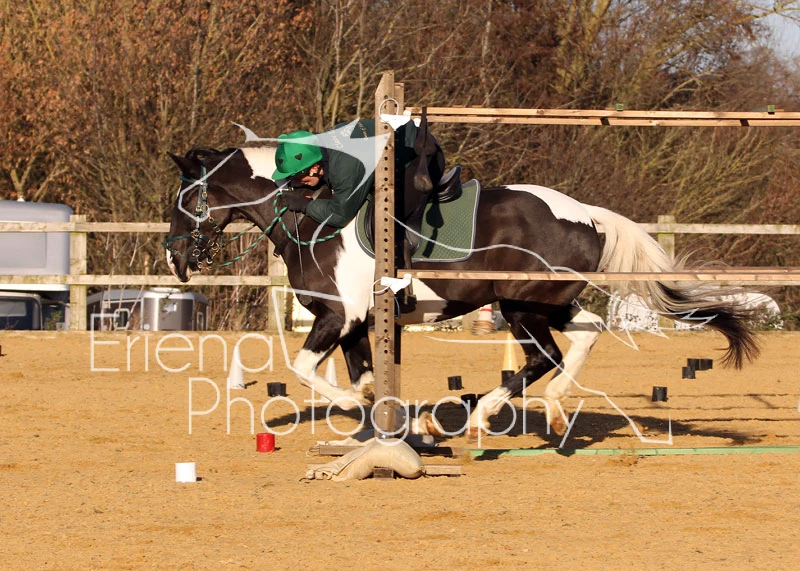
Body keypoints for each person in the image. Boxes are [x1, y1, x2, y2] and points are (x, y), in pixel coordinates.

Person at [272, 117, 447, 257]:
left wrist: (305, 205)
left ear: (315, 167)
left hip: (421, 158)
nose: (297, 181)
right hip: (404, 143)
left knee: (385, 223)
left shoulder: (345, 168)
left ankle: (400, 279)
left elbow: (340, 215)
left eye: (297, 176)